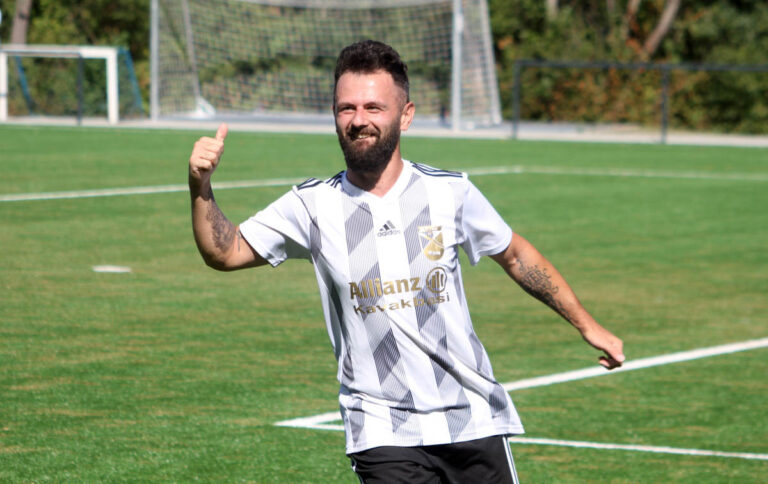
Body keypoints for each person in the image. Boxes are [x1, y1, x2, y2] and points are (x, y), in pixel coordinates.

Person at [188, 40, 624, 484]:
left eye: (374, 107)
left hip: (472, 417)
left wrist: (586, 324)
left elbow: (514, 254)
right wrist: (200, 185)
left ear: (406, 115)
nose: (359, 120)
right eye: (346, 108)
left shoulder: (450, 193)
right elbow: (224, 251)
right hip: (381, 428)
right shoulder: (311, 205)